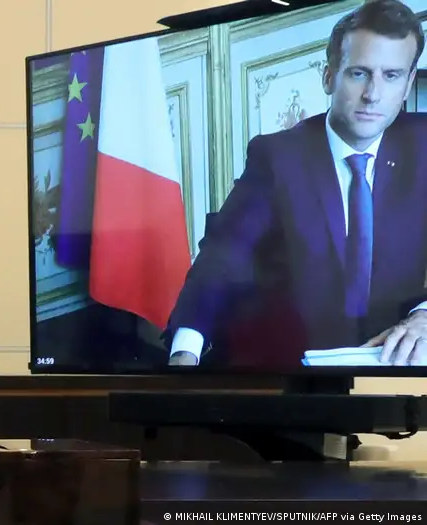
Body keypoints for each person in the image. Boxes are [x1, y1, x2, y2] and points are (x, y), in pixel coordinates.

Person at [168, 0, 427, 369]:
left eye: (391, 76)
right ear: (329, 76)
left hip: (395, 367)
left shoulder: (423, 145)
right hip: (299, 372)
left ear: (408, 84)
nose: (373, 94)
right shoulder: (277, 157)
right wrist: (186, 351)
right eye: (359, 73)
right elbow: (223, 256)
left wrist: (424, 315)